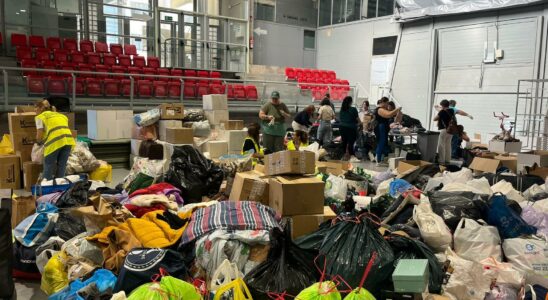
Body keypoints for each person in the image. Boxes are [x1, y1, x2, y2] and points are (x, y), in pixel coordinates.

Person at [34, 99, 75, 180]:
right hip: (68, 142)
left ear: (41, 108)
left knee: (49, 164)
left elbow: (40, 133)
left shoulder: (40, 117)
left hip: (54, 142)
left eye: (35, 108)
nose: (35, 110)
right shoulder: (62, 116)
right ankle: (59, 186)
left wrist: (38, 142)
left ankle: (47, 187)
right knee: (62, 165)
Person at [374, 97, 401, 166]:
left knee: (382, 143)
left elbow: (393, 116)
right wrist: (396, 109)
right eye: (387, 104)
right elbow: (388, 115)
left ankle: (379, 159)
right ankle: (378, 160)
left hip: (383, 127)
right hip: (381, 128)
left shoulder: (383, 109)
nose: (387, 105)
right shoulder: (380, 109)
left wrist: (398, 112)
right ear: (384, 102)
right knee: (381, 143)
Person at [433, 99, 455, 165]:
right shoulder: (452, 110)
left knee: (441, 145)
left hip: (443, 130)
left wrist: (439, 111)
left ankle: (441, 160)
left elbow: (434, 119)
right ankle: (447, 160)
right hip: (451, 130)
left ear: (442, 105)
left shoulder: (442, 111)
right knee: (448, 145)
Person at [339, 96, 360, 161]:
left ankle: (343, 155)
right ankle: (352, 156)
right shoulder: (353, 109)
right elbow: (358, 120)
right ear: (350, 102)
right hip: (351, 128)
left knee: (344, 142)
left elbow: (341, 119)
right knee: (351, 142)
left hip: (342, 127)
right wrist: (360, 124)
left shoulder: (342, 110)